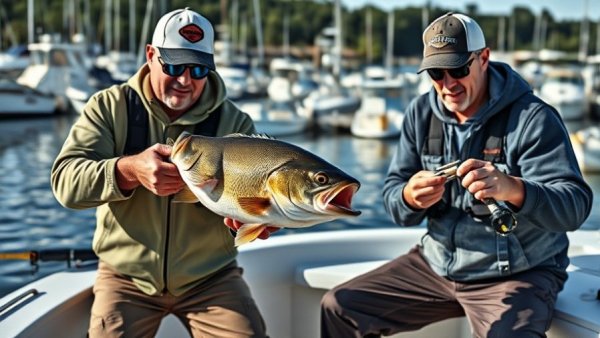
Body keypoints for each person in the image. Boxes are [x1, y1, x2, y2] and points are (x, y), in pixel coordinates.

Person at [321, 12, 593, 338]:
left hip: (519, 273)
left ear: (484, 59)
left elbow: (575, 207)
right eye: (436, 73)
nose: (448, 84)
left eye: (459, 69)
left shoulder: (534, 119)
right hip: (436, 265)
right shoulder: (420, 113)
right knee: (340, 306)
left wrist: (514, 189)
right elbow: (394, 197)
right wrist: (409, 196)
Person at [51, 8, 270, 337]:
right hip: (126, 279)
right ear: (151, 55)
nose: (185, 80)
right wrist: (128, 170)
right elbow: (66, 183)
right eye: (174, 66)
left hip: (211, 278)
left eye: (198, 69)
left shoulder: (235, 124)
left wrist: (257, 217)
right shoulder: (108, 107)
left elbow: (253, 204)